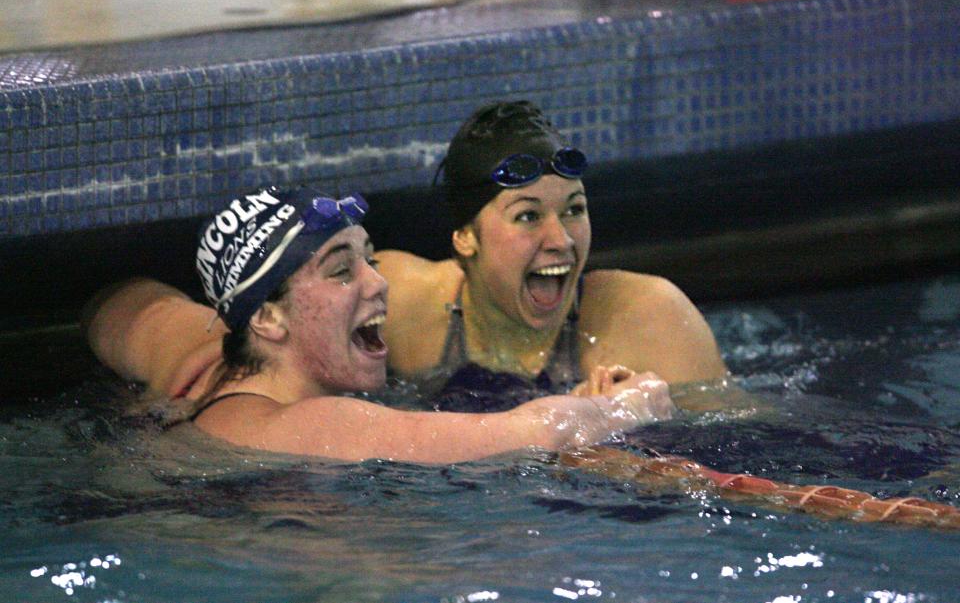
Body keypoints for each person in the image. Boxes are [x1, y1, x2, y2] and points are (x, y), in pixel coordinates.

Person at [83, 186, 677, 464]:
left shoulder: (203, 369)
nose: (379, 282)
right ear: (267, 317)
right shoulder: (320, 423)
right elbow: (536, 434)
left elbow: (110, 302)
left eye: (369, 257)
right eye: (343, 272)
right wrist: (627, 406)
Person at [377, 100, 746, 412]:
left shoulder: (650, 320)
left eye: (574, 209)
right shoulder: (397, 303)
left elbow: (743, 447)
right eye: (528, 216)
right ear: (466, 237)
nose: (562, 239)